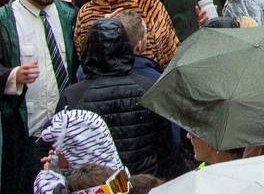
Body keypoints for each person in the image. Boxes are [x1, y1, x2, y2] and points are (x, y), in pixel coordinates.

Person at [58, 17, 179, 178]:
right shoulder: (149, 87)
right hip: (144, 181)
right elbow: (168, 144)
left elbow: (62, 149)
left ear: (88, 48)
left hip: (96, 185)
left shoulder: (72, 96)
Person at [0, 0, 78, 193]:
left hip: (68, 132)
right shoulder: (5, 20)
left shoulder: (67, 14)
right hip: (28, 135)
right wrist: (13, 76)